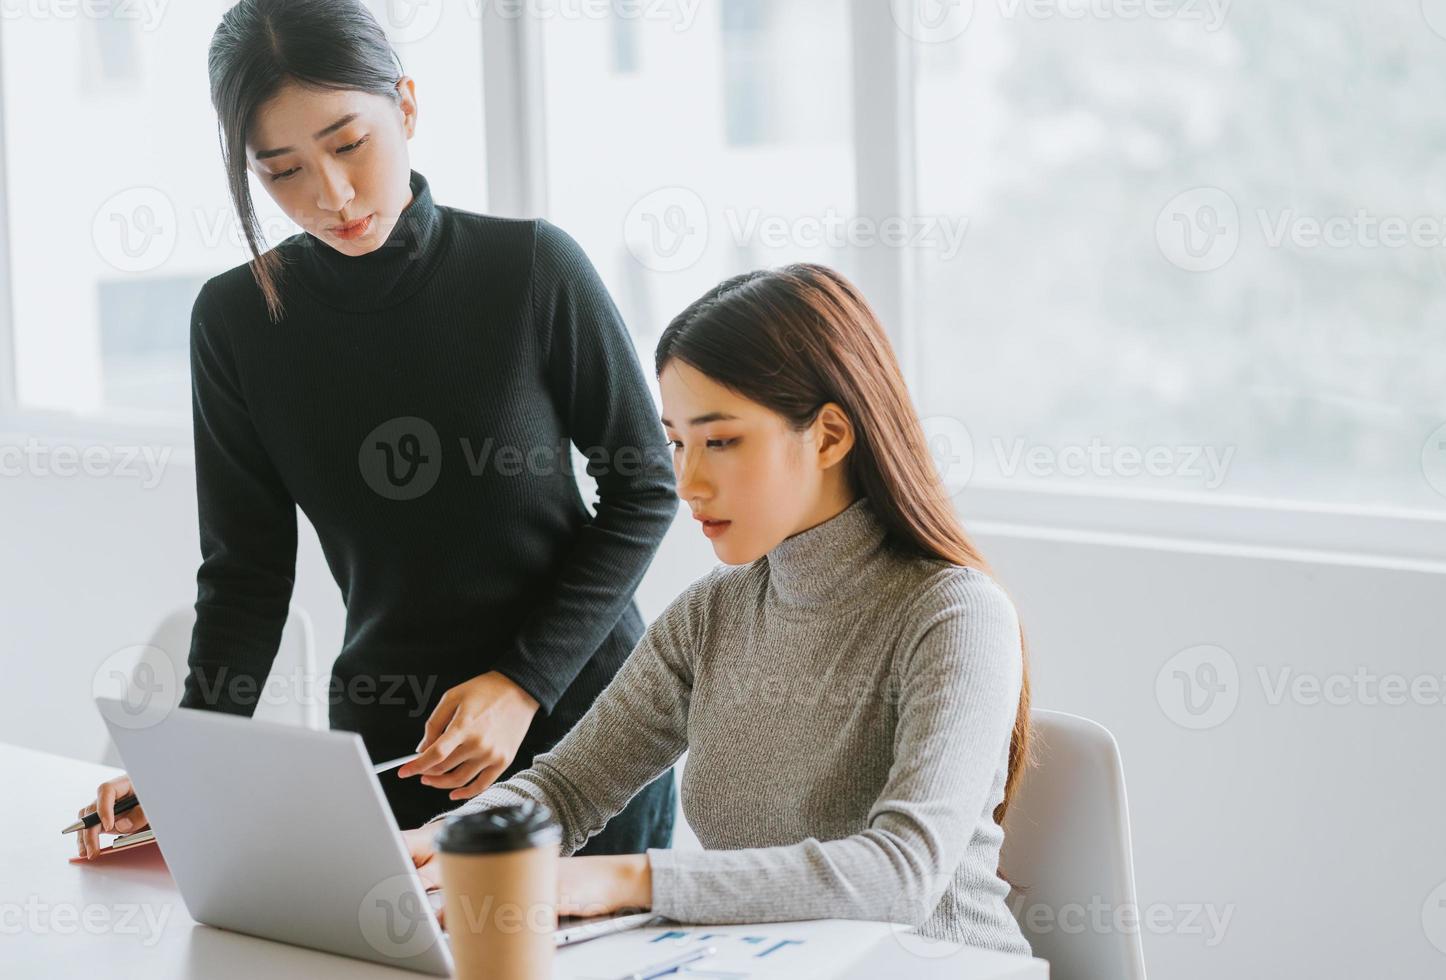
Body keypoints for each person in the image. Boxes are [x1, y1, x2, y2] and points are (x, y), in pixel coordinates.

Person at [74, 0, 678, 855]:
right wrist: (184, 767)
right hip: (398, 754)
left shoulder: (532, 269)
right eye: (281, 171)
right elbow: (246, 577)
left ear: (408, 105)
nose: (332, 195)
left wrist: (520, 683)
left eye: (349, 144)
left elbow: (646, 487)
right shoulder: (237, 322)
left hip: (587, 732)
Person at [403, 264, 1034, 955]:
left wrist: (627, 879)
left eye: (721, 441)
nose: (688, 482)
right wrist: (446, 843)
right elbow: (567, 787)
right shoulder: (711, 616)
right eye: (676, 442)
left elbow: (901, 873)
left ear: (828, 436)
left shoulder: (955, 615)